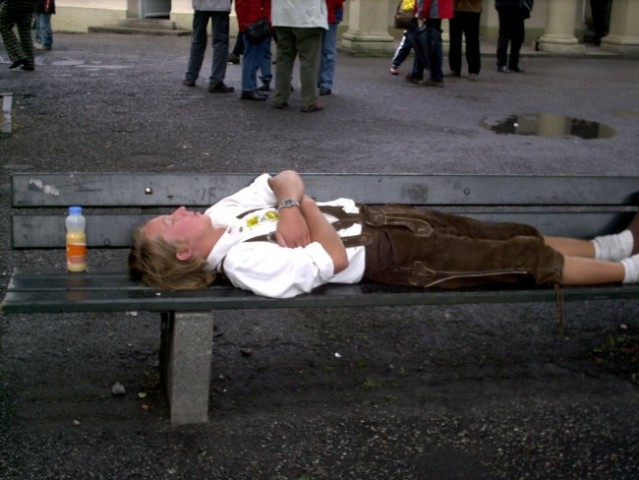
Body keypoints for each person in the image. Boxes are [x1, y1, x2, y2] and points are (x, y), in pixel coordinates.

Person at [129, 170, 639, 299]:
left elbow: (282, 175)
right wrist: (300, 205)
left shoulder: (222, 216)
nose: (178, 208)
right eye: (171, 221)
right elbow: (330, 259)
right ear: (185, 253)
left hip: (384, 217)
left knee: (510, 234)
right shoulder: (243, 263)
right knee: (523, 259)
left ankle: (618, 246)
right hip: (394, 255)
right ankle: (630, 272)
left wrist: (288, 202)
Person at [270, 0, 328, 112]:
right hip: (307, 17)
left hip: (282, 15)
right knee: (309, 61)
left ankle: (280, 97)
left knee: (283, 59)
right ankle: (309, 100)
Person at [181, 0, 234, 93]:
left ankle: (191, 76)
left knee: (197, 41)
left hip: (200, 5)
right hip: (221, 5)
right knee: (220, 43)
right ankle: (216, 81)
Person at [235, 0, 272, 101]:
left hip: (255, 21)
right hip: (254, 22)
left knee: (253, 56)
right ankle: (248, 88)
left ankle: (250, 86)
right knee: (252, 57)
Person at [416, 0, 454, 87]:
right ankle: (435, 75)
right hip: (437, 8)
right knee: (435, 41)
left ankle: (436, 76)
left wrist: (423, 10)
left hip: (433, 9)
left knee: (434, 43)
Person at [495, 0, 533, 73]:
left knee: (518, 36)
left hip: (519, 6)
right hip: (505, 5)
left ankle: (513, 64)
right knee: (505, 35)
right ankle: (502, 64)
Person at [448, 0, 482, 81]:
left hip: (472, 9)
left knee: (472, 41)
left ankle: (473, 70)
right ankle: (455, 68)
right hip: (456, 8)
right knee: (454, 40)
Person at [0, 0, 38, 71]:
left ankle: (18, 56)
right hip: (31, 3)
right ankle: (29, 63)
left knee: (3, 25)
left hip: (14, 2)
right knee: (25, 30)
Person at [317, 0, 345, 96]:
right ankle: (321, 81)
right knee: (320, 50)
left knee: (328, 51)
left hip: (330, 14)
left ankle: (325, 82)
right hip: (317, 14)